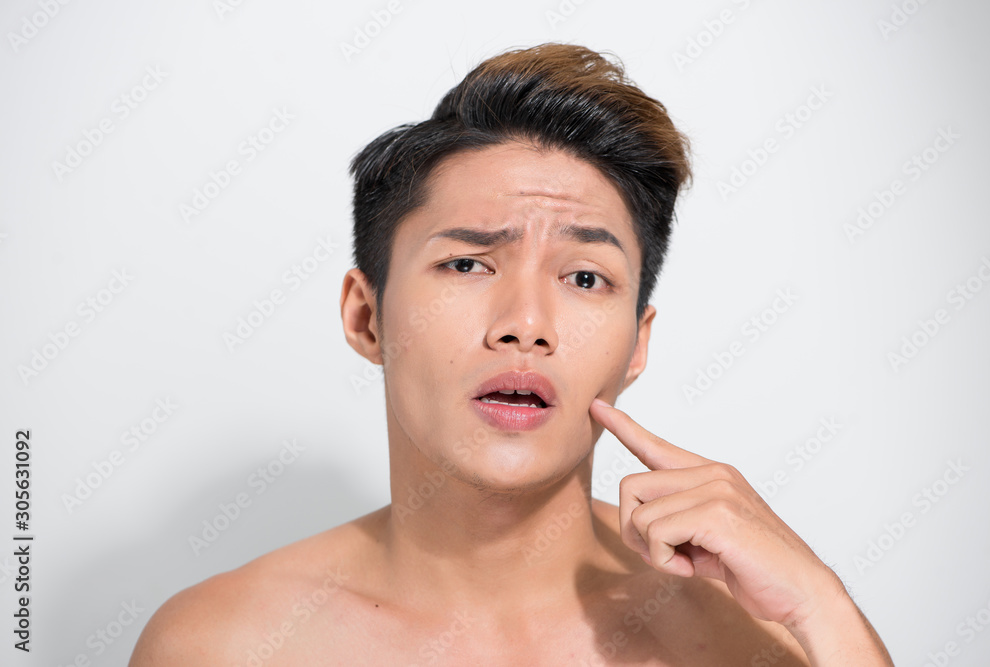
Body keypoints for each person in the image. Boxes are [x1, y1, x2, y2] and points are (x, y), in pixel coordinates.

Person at [129, 43, 893, 666]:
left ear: (638, 344)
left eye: (585, 277)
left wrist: (823, 609)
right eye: (467, 264)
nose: (526, 323)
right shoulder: (220, 643)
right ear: (366, 315)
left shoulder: (761, 636)